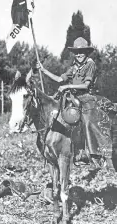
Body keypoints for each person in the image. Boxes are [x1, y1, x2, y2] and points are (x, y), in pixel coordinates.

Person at [37, 37, 106, 167]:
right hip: (72, 97)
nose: (79, 54)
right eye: (77, 52)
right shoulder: (74, 66)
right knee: (56, 114)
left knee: (87, 121)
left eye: (82, 52)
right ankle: (61, 148)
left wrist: (68, 86)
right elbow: (59, 79)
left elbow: (86, 85)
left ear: (86, 53)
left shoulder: (90, 64)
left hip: (86, 97)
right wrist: (43, 70)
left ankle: (94, 153)